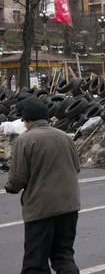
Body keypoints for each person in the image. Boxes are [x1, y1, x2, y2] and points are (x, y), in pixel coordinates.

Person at [4, 101, 81, 273]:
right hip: (69, 206)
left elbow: (17, 179)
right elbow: (76, 168)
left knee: (35, 263)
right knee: (63, 255)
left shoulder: (24, 140)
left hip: (41, 209)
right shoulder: (64, 137)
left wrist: (10, 187)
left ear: (27, 120)